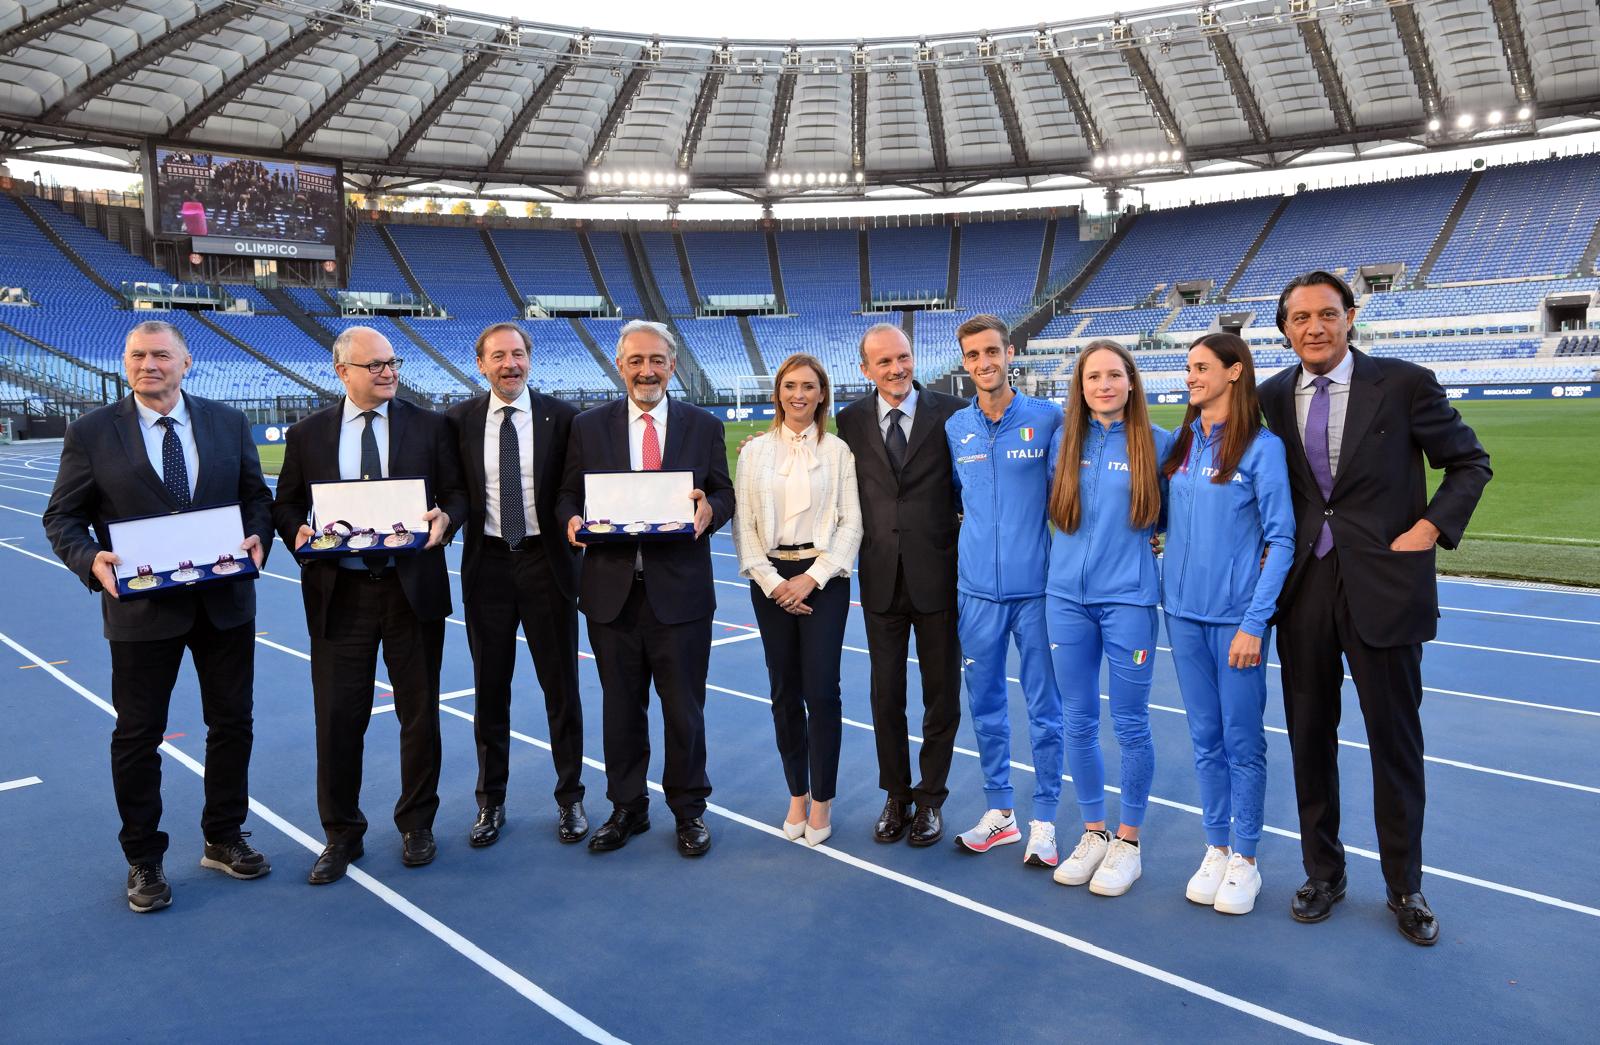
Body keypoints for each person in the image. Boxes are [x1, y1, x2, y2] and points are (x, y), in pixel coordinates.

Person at [1260, 271, 1491, 945]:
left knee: (1395, 742)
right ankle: (1323, 872)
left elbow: (1469, 462)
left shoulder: (1405, 382)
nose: (1314, 327)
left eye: (1326, 314)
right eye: (1299, 317)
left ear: (1350, 316)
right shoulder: (1271, 396)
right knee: (1309, 736)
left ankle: (1404, 884)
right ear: (1285, 329)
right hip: (1304, 590)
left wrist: (1428, 531)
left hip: (1385, 587)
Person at [43, 320, 274, 912]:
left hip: (223, 602)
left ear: (186, 362)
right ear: (125, 363)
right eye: (138, 356)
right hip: (143, 612)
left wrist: (257, 535)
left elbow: (257, 497)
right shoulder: (93, 432)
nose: (150, 365)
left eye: (161, 355)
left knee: (232, 724)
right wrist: (89, 558)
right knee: (138, 736)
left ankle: (224, 836)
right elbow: (61, 517)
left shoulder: (227, 422)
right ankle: (143, 859)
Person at [271, 326, 465, 885]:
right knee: (337, 720)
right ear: (342, 371)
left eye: (392, 362)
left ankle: (417, 823)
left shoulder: (430, 426)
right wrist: (297, 536)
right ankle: (341, 833)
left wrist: (445, 519)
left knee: (420, 714)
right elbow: (285, 504)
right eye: (374, 364)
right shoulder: (307, 435)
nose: (387, 372)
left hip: (412, 593)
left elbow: (456, 494)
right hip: (341, 594)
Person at [556, 320, 735, 858]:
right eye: (636, 360)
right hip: (612, 594)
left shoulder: (702, 425)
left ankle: (688, 811)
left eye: (656, 360)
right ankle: (627, 807)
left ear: (672, 366)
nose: (646, 370)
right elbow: (568, 493)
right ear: (620, 366)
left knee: (684, 710)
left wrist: (711, 511)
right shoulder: (589, 427)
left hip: (680, 595)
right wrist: (569, 521)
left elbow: (723, 493)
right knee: (621, 709)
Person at [1160, 332, 1295, 916]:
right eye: (1187, 368)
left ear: (1235, 372)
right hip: (1182, 618)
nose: (1190, 377)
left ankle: (1246, 857)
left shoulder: (1262, 449)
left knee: (1242, 743)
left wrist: (1253, 622)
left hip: (1235, 623)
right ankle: (1215, 846)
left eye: (1200, 367)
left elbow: (1282, 539)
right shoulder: (1182, 442)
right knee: (1204, 739)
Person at [446, 323, 586, 848]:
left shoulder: (564, 418)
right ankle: (491, 802)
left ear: (531, 359)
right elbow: (453, 490)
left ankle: (571, 797)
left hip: (547, 565)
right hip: (488, 568)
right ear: (481, 363)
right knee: (491, 690)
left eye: (519, 354)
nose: (511, 364)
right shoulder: (458, 420)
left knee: (561, 689)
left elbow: (579, 488)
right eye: (500, 355)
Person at [1044, 340, 1172, 896]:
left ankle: (1128, 842)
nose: (1104, 384)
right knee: (1076, 718)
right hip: (1066, 599)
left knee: (1130, 723)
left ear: (1131, 381)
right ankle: (1093, 832)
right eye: (1093, 376)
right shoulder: (1061, 442)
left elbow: (1180, 517)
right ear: (1080, 385)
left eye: (1114, 375)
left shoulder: (1160, 443)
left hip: (1130, 603)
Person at [834, 324, 965, 846]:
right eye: (884, 362)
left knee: (941, 694)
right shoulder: (848, 420)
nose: (897, 369)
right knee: (885, 695)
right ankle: (896, 792)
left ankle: (931, 797)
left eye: (904, 357)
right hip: (881, 577)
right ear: (866, 369)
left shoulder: (952, 414)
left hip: (939, 576)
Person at [945, 315, 1065, 866]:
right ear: (964, 362)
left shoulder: (1047, 419)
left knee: (1045, 709)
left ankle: (1044, 820)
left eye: (992, 351)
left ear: (1009, 352)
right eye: (973, 355)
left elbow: (1070, 497)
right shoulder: (957, 428)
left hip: (1036, 593)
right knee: (986, 706)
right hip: (975, 595)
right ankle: (1000, 813)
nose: (984, 363)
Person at [733, 353, 863, 847]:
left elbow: (852, 523)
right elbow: (744, 527)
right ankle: (796, 794)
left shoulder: (839, 452)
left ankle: (824, 798)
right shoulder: (754, 454)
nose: (799, 395)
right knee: (784, 690)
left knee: (822, 692)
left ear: (822, 394)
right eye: (790, 386)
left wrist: (811, 578)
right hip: (769, 580)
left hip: (823, 577)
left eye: (809, 386)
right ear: (778, 393)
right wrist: (772, 583)